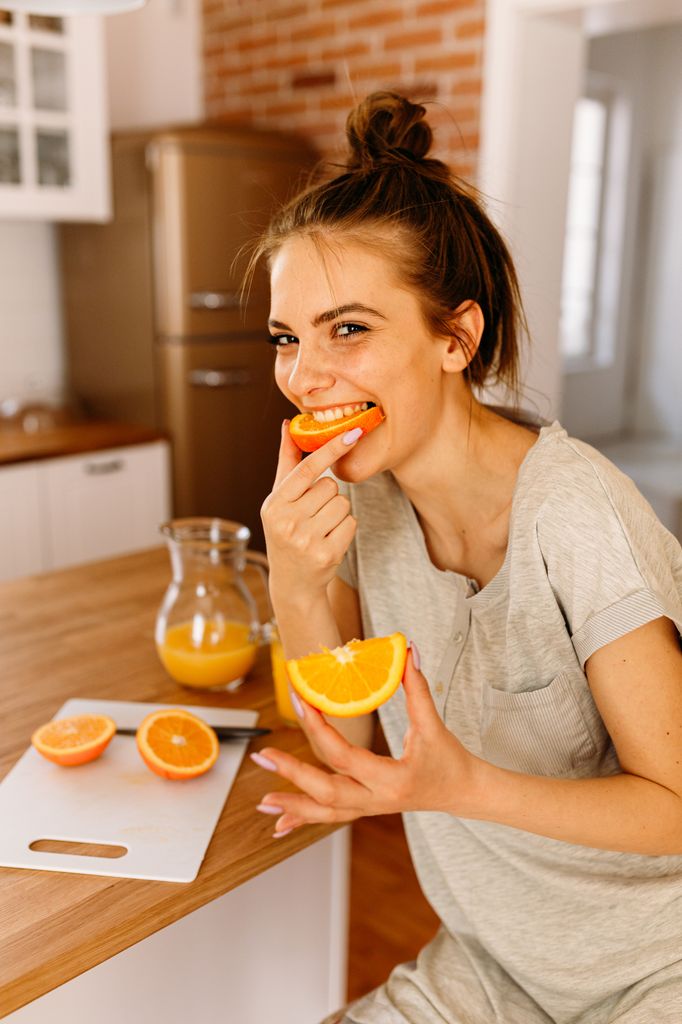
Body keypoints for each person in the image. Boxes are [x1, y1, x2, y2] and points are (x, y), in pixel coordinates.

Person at [248, 91, 682, 1024]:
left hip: (657, 972)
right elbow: (351, 740)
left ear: (457, 337)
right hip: (492, 967)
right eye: (289, 338)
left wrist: (462, 788)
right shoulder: (365, 496)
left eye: (348, 330)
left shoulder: (574, 509)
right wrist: (295, 578)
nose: (304, 377)